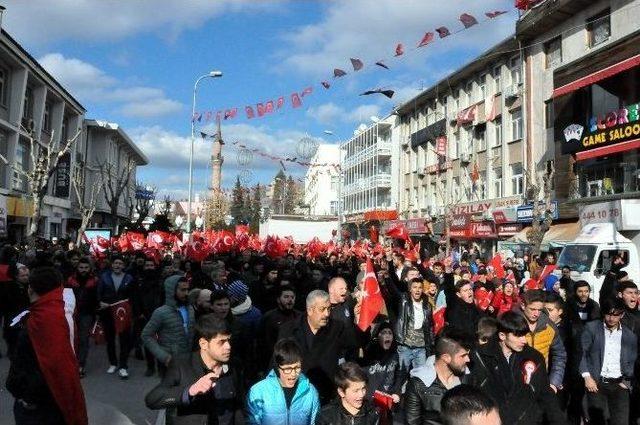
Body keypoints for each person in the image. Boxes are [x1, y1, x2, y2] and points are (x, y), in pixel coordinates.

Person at [6, 266, 88, 425]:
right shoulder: (58, 310)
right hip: (52, 398)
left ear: (30, 288)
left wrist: (26, 396)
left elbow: (51, 363)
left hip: (39, 405)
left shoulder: (44, 318)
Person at [468, 311, 565, 425]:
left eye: (525, 335)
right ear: (502, 335)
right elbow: (470, 394)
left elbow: (545, 395)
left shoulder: (534, 357)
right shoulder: (479, 356)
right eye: (518, 335)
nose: (524, 340)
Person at [145, 314, 242, 425]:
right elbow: (152, 400)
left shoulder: (234, 366)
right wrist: (189, 391)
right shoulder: (181, 365)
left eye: (229, 340)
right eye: (221, 342)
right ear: (203, 344)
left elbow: (237, 406)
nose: (228, 346)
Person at [278, 289, 364, 403]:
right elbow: (278, 361)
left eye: (328, 309)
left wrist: (359, 322)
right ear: (310, 310)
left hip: (328, 395)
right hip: (297, 394)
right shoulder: (288, 330)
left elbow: (354, 346)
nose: (327, 314)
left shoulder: (337, 328)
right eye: (322, 309)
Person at [580, 297, 637, 425]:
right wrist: (587, 377)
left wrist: (626, 382)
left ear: (621, 315)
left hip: (619, 386)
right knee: (598, 420)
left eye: (615, 315)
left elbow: (633, 360)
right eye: (608, 314)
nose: (611, 319)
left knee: (621, 421)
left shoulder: (629, 336)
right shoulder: (592, 328)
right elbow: (582, 353)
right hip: (596, 383)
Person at [404, 326, 473, 425]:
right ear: (446, 358)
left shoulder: (466, 377)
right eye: (463, 356)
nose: (468, 359)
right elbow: (412, 422)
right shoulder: (418, 384)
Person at [246, 338, 320, 424]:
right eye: (288, 369)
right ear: (277, 368)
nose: (293, 374)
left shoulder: (310, 392)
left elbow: (314, 422)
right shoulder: (258, 391)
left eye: (297, 367)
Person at [142, 275, 195, 377]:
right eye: (182, 290)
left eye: (188, 289)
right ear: (171, 291)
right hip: (169, 363)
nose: (186, 293)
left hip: (187, 360)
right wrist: (163, 356)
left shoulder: (190, 309)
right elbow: (146, 335)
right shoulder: (161, 312)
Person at [519, 289, 566, 391]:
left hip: (541, 384)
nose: (536, 313)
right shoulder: (512, 324)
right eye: (532, 309)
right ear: (523, 306)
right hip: (516, 384)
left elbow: (560, 355)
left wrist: (554, 382)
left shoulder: (549, 326)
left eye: (539, 310)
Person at [97, 255, 135, 378]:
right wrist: (100, 302)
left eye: (120, 263)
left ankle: (123, 366)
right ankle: (113, 363)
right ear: (112, 265)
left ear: (123, 265)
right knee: (110, 339)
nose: (117, 265)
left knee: (124, 340)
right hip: (108, 312)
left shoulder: (129, 278)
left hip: (123, 314)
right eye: (115, 263)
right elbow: (98, 293)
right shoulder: (104, 277)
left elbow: (134, 296)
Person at [386, 276, 434, 371]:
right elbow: (393, 290)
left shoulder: (427, 305)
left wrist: (431, 343)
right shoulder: (404, 301)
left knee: (421, 377)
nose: (417, 290)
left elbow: (430, 326)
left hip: (421, 348)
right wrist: (388, 277)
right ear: (410, 289)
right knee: (402, 375)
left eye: (420, 287)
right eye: (414, 287)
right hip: (405, 346)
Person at [66, 257, 98, 377]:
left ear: (89, 268)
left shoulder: (94, 281)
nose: (83, 270)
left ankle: (80, 365)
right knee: (72, 339)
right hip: (72, 313)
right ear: (77, 268)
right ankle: (71, 363)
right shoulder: (70, 280)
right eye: (81, 267)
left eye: (86, 267)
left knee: (84, 339)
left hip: (87, 314)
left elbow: (97, 298)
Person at [258, 285, 302, 371]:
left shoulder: (300, 317)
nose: (290, 300)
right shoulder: (269, 317)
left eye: (292, 297)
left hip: (295, 360)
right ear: (278, 299)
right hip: (273, 361)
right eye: (286, 297)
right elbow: (261, 344)